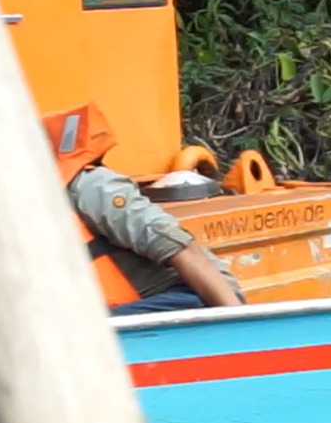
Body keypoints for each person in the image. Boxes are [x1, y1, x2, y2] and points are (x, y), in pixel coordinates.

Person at [43, 102, 246, 316]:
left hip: (195, 296)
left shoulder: (91, 188)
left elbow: (184, 251)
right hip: (127, 309)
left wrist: (236, 322)